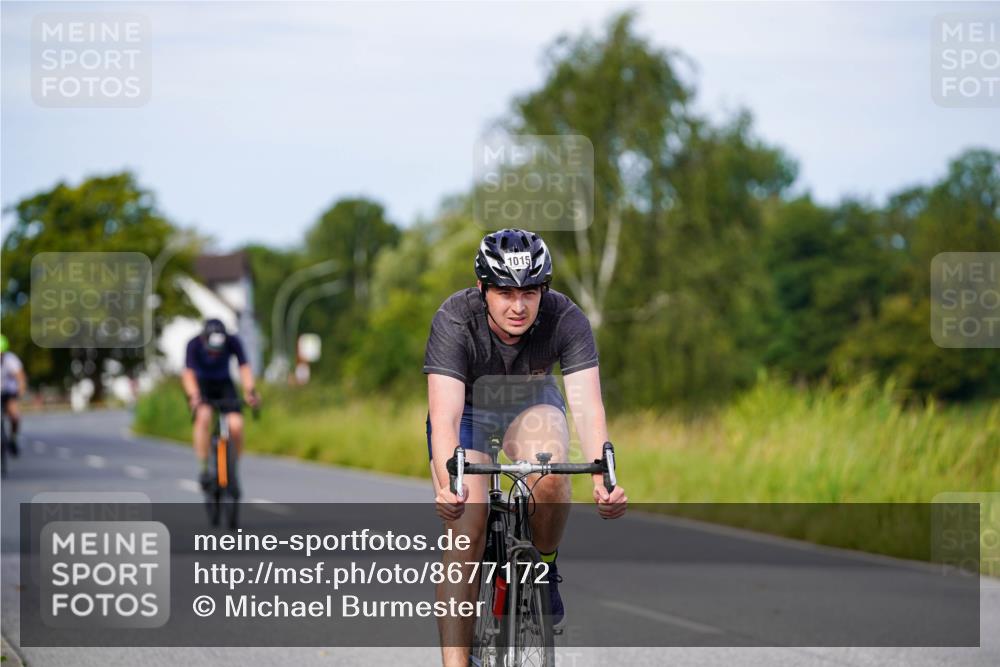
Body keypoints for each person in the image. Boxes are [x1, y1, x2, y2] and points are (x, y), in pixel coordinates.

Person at [424, 228, 628, 666]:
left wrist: (604, 478)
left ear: (544, 290)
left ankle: (545, 568)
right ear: (482, 289)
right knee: (467, 530)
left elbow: (588, 407)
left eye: (530, 292)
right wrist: (449, 485)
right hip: (470, 414)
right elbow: (445, 417)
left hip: (531, 404)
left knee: (551, 474)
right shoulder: (454, 320)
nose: (518, 306)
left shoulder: (565, 317)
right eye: (504, 293)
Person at [181, 319, 259, 493]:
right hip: (202, 386)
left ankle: (232, 468)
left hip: (224, 384)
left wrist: (250, 392)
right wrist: (194, 396)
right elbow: (188, 374)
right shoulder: (193, 344)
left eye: (219, 351)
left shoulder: (233, 341)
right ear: (204, 339)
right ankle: (204, 467)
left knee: (236, 424)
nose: (215, 354)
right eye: (212, 351)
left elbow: (244, 368)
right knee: (203, 417)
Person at [0, 334, 27, 457]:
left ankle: (14, 438)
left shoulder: (11, 360)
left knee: (15, 416)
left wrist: (20, 391)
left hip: (9, 392)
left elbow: (20, 377)